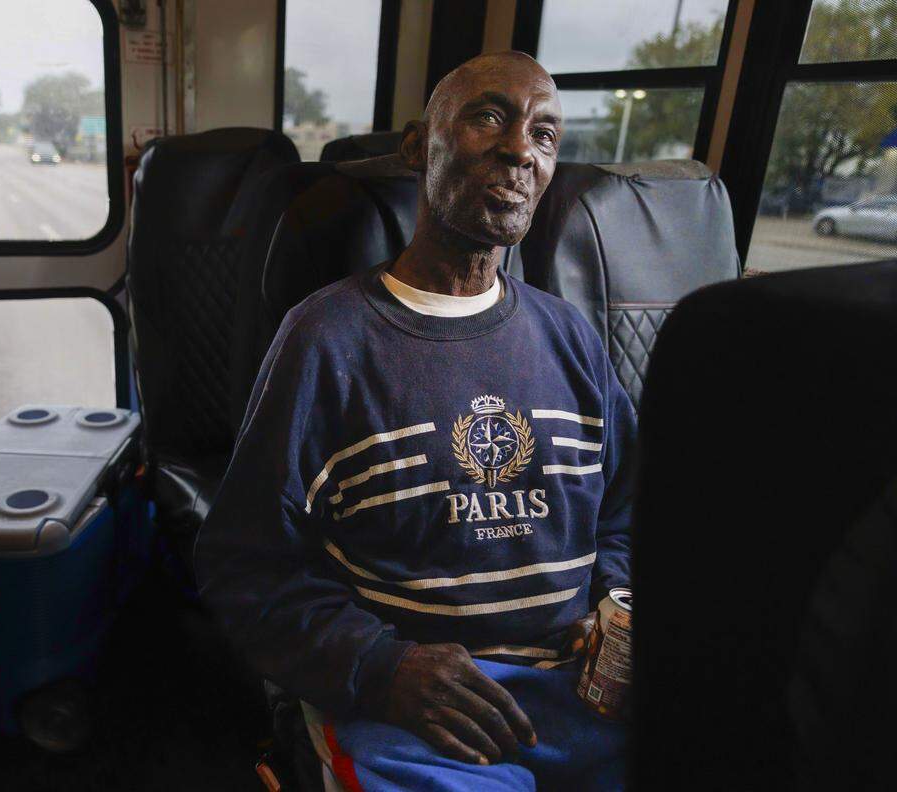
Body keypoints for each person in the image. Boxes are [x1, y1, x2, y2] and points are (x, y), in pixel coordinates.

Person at [195, 51, 634, 790]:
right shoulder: (325, 340)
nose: (521, 148)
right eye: (489, 116)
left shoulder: (572, 340)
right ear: (415, 147)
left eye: (546, 134)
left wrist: (615, 605)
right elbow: (243, 561)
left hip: (579, 696)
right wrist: (380, 667)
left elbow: (627, 511)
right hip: (412, 712)